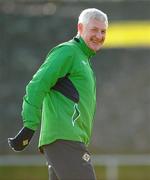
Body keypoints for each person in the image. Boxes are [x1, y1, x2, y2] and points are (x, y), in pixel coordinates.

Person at [8, 8, 108, 180]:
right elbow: (37, 85)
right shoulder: (68, 52)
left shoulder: (83, 58)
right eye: (94, 29)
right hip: (65, 138)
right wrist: (30, 125)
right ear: (80, 27)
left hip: (68, 139)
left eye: (103, 31)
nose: (99, 36)